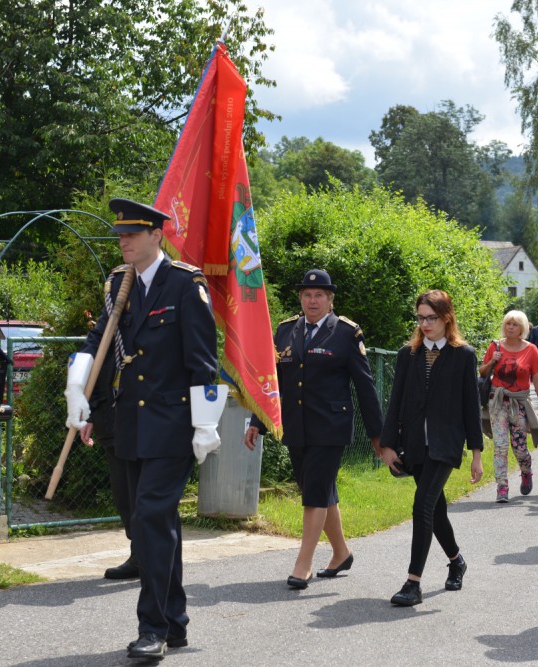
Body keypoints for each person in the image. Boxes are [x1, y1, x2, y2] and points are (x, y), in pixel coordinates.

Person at [65, 198, 220, 659]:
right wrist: (78, 390)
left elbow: (202, 363)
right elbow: (99, 342)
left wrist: (205, 426)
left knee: (151, 518)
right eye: (120, 234)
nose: (124, 240)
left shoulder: (184, 285)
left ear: (157, 235)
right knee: (152, 522)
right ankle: (176, 622)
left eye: (133, 233)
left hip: (173, 426)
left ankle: (151, 628)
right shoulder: (119, 283)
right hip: (131, 423)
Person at [244, 269, 383, 589]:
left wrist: (378, 435)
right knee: (317, 491)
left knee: (315, 494)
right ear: (300, 299)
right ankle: (341, 553)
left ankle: (302, 564)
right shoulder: (286, 331)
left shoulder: (346, 333)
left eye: (319, 295)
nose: (312, 300)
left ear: (330, 300)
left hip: (331, 426)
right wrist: (257, 422)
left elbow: (365, 386)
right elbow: (273, 383)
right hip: (297, 425)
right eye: (307, 294)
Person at [379, 289, 483, 607]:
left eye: (431, 318)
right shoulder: (407, 354)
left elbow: (470, 406)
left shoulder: (463, 355)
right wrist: (387, 446)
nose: (425, 324)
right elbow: (395, 402)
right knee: (435, 511)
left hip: (446, 444)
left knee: (422, 505)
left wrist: (477, 454)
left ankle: (413, 583)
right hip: (414, 445)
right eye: (420, 318)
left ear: (446, 318)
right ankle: (456, 560)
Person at [77, 334, 137, 580]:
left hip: (143, 424)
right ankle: (139, 555)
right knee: (123, 496)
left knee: (144, 497)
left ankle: (153, 557)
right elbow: (94, 373)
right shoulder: (109, 328)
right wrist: (89, 414)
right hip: (111, 424)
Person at [479, 310, 538, 503]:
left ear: (522, 328)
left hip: (519, 403)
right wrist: (493, 361)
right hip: (497, 401)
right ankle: (502, 487)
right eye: (508, 323)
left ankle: (526, 471)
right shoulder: (495, 346)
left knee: (520, 449)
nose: (510, 327)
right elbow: (482, 372)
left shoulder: (531, 350)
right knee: (500, 446)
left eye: (515, 324)